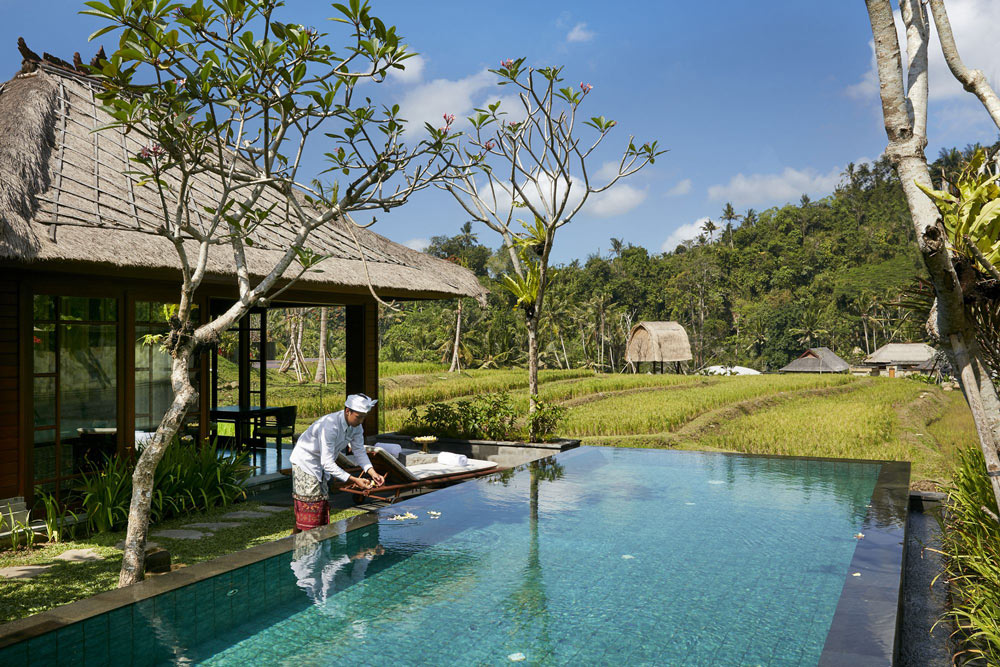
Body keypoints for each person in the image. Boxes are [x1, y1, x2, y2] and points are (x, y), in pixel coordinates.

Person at [289, 393, 385, 533]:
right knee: (313, 507)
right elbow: (327, 462)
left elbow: (359, 451)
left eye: (364, 417)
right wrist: (354, 480)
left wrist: (372, 472)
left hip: (321, 465)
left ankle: (293, 541)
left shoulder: (356, 427)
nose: (361, 421)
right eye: (358, 417)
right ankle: (306, 544)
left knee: (320, 506)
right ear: (348, 411)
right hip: (306, 463)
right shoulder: (330, 426)